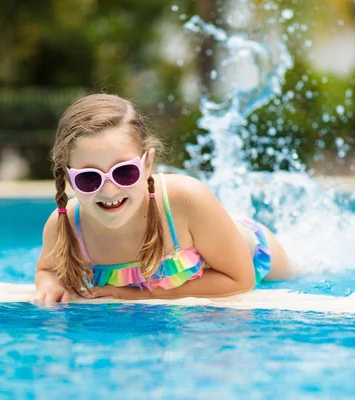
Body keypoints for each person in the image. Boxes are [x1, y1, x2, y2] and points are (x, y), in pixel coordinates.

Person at [31, 94, 292, 304]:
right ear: (68, 176)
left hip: (253, 255)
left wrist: (139, 295)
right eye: (89, 178)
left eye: (124, 172)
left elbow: (239, 280)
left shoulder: (187, 198)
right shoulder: (65, 225)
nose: (109, 191)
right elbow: (47, 269)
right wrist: (50, 284)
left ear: (148, 164)